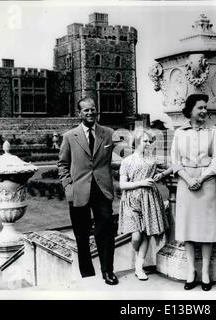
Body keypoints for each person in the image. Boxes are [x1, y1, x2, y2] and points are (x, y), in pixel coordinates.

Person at [57, 97, 118, 285]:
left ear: (96, 111)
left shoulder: (108, 133)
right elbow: (62, 164)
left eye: (92, 109)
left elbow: (117, 157)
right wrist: (68, 186)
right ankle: (87, 273)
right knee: (81, 234)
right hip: (78, 191)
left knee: (105, 231)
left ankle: (108, 271)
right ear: (79, 113)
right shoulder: (70, 136)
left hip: (102, 190)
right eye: (86, 110)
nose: (90, 113)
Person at [171, 94, 216, 291]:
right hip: (186, 182)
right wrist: (187, 178)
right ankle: (191, 271)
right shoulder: (179, 133)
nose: (204, 111)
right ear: (190, 109)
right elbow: (175, 160)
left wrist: (200, 179)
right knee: (187, 228)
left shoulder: (213, 131)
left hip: (207, 182)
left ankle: (206, 273)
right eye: (200, 107)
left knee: (206, 228)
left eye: (205, 108)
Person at [118, 129, 172, 281]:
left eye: (150, 141)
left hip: (149, 199)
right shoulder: (127, 161)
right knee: (136, 236)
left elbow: (174, 166)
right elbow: (122, 185)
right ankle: (138, 256)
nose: (148, 144)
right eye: (145, 141)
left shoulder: (153, 160)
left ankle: (139, 266)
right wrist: (141, 182)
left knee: (146, 233)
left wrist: (161, 175)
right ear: (136, 143)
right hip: (131, 200)